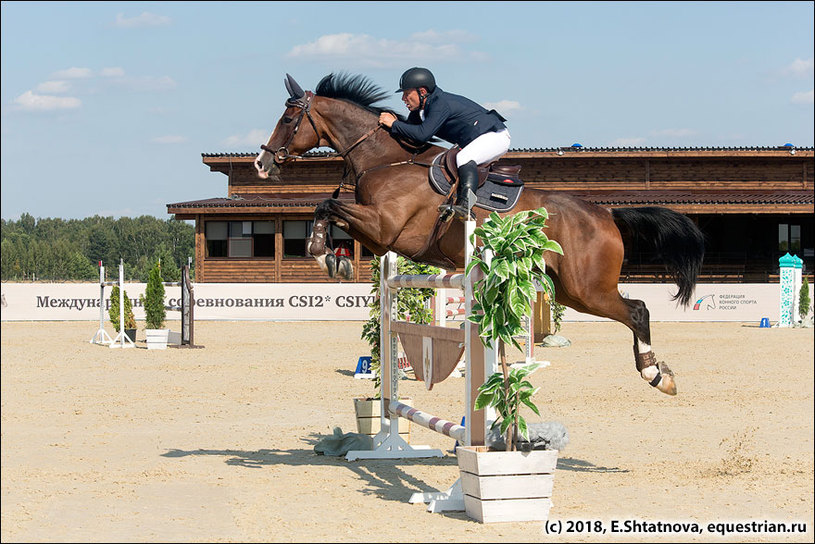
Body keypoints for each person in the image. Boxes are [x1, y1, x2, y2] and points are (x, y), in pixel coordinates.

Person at [379, 67, 510, 219]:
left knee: (464, 158)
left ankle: (466, 205)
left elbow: (422, 135)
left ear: (422, 92)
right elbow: (410, 136)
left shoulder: (440, 104)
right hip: (477, 138)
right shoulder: (420, 111)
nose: (403, 98)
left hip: (495, 136)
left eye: (407, 93)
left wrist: (394, 124)